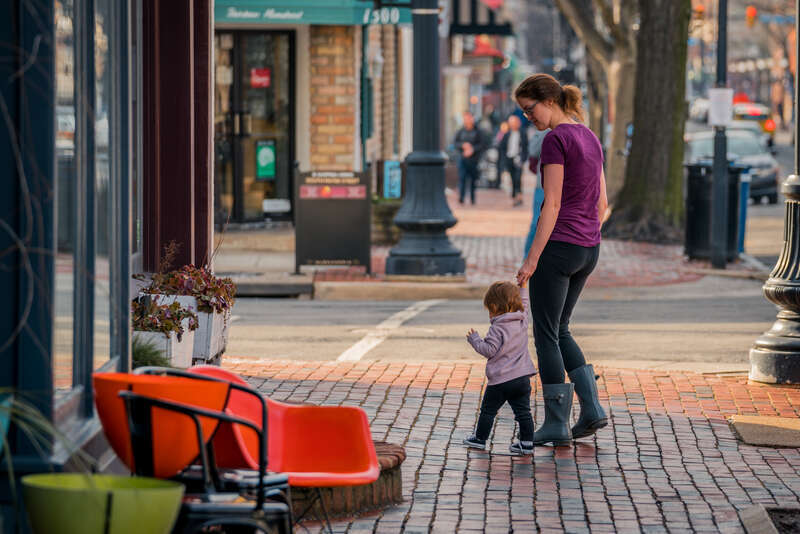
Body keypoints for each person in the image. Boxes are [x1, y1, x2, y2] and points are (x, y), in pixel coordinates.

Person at [514, 73, 609, 446]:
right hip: (589, 248)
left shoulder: (555, 140)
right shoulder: (590, 136)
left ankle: (555, 423)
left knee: (546, 334)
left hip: (559, 247)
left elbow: (550, 204)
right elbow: (602, 204)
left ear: (549, 101)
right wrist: (586, 234)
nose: (528, 118)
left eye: (530, 109)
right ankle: (591, 409)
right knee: (562, 329)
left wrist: (531, 260)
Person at [463, 281, 538, 455]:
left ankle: (480, 439)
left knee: (488, 410)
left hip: (500, 381)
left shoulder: (497, 328)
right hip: (522, 378)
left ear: (495, 307)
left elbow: (489, 350)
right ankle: (527, 443)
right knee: (524, 412)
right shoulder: (522, 320)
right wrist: (524, 286)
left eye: (489, 309)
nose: (489, 314)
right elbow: (525, 303)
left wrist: (475, 340)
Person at [523, 127, 549, 258]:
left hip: (546, 185)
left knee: (538, 223)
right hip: (543, 185)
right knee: (537, 222)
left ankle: (530, 257)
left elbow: (533, 151)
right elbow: (533, 151)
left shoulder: (547, 130)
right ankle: (528, 257)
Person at [454, 111, 489, 204]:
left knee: (473, 179)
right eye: (466, 118)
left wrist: (472, 149)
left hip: (474, 159)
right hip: (463, 158)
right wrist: (463, 145)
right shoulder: (460, 131)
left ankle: (473, 199)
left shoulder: (478, 131)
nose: (468, 120)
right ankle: (461, 198)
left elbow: (482, 144)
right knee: (462, 178)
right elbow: (455, 143)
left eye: (469, 118)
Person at [498, 115, 528, 206]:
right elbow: (502, 147)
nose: (513, 125)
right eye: (511, 123)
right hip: (509, 159)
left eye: (514, 123)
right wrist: (504, 159)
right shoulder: (506, 134)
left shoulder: (522, 133)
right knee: (512, 178)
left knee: (518, 178)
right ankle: (515, 196)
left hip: (518, 159)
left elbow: (526, 147)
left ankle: (518, 196)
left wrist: (523, 159)